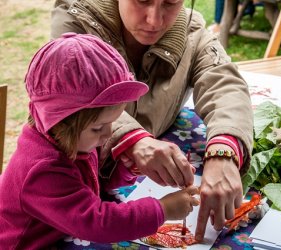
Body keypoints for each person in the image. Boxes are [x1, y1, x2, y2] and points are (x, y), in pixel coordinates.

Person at [51, 0, 254, 242]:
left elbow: (225, 85)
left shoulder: (192, 32)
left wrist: (223, 151)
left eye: (171, 3)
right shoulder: (77, 20)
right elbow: (71, 96)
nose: (154, 20)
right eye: (142, 0)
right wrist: (133, 140)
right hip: (67, 202)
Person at [0, 33, 200, 249]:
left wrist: (123, 170)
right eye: (98, 128)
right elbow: (97, 222)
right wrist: (162, 210)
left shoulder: (71, 140)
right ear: (61, 121)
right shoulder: (43, 170)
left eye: (112, 123)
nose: (107, 135)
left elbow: (83, 186)